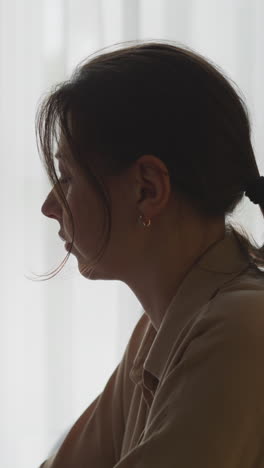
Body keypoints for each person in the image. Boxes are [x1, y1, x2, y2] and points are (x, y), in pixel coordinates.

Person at [37, 40, 264, 467]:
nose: (49, 207)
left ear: (147, 189)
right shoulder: (161, 327)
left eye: (66, 178)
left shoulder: (240, 328)